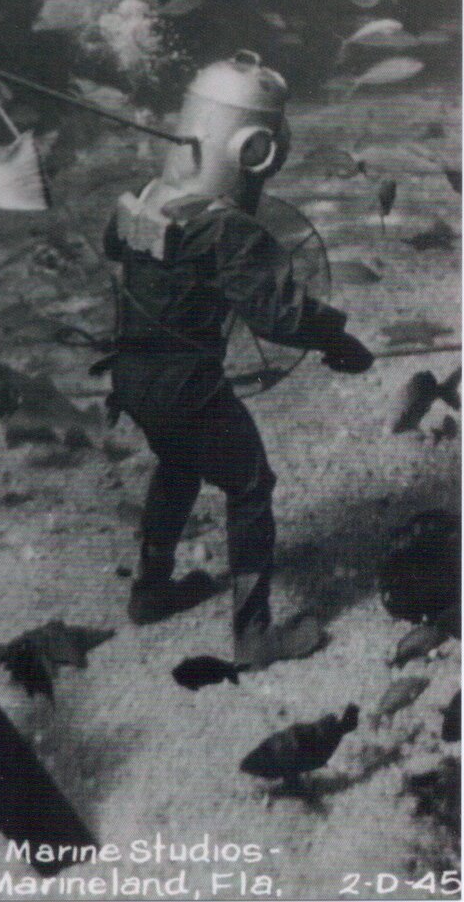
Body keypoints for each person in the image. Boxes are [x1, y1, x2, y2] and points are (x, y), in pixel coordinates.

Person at [101, 52, 374, 669]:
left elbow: (118, 248)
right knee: (250, 485)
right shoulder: (227, 228)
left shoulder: (143, 198)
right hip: (186, 387)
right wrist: (338, 340)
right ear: (256, 148)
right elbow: (281, 317)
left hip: (131, 377)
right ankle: (253, 636)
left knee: (180, 461)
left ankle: (150, 591)